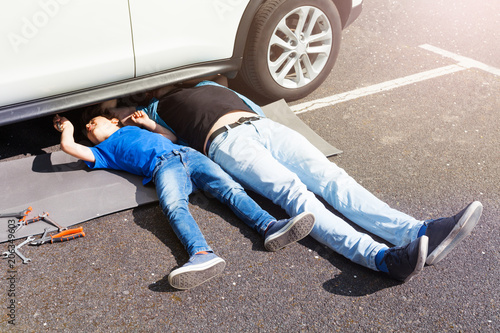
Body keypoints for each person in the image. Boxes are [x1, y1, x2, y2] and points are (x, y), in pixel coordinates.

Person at [110, 76, 483, 283]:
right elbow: (167, 140)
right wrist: (144, 121)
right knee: (295, 195)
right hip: (226, 143)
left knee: (334, 178)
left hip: (264, 128)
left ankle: (418, 232)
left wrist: (264, 121)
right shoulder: (153, 108)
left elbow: (247, 100)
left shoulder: (209, 81)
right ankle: (382, 259)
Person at [52, 108, 316, 290]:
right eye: (86, 129)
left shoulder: (133, 129)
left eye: (93, 122)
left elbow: (170, 137)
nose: (88, 127)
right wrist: (69, 128)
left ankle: (270, 227)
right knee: (174, 207)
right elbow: (69, 146)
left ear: (114, 121)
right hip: (162, 168)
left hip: (187, 153)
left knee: (230, 189)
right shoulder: (102, 152)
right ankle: (201, 253)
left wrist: (148, 124)